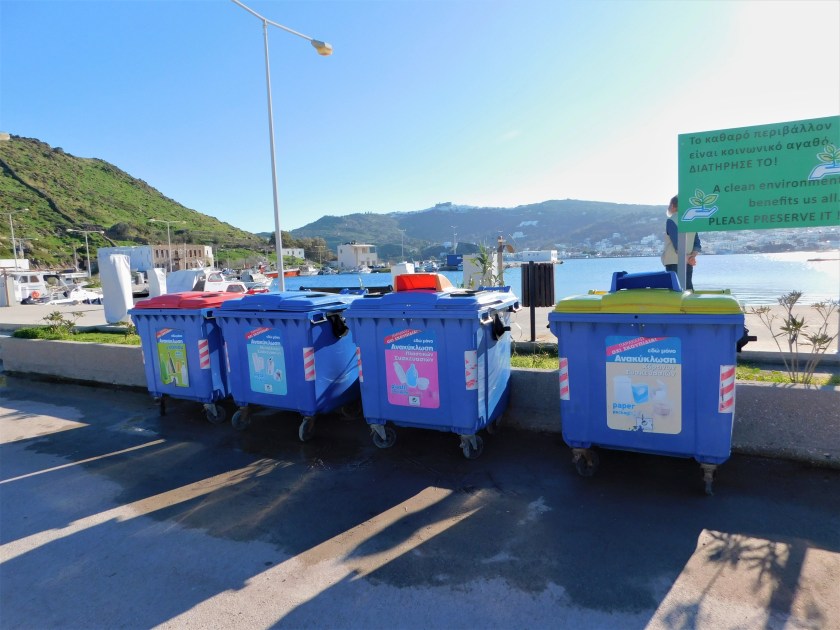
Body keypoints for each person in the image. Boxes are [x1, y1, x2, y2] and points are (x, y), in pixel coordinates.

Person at [661, 195, 701, 290]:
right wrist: (692, 257)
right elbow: (697, 243)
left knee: (675, 291)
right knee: (688, 289)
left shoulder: (671, 220)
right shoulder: (691, 220)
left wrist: (686, 257)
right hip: (688, 261)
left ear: (672, 206)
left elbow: (677, 244)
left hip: (673, 262)